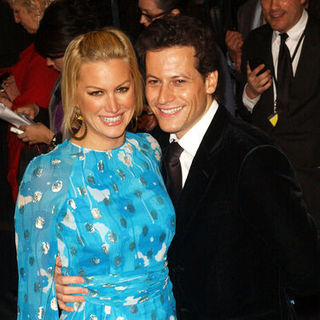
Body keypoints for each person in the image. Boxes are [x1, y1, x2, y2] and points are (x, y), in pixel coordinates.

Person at [55, 15, 320, 319]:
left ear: (210, 81)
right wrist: (66, 281)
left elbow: (307, 272)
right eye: (154, 82)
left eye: (179, 81)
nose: (164, 97)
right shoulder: (147, 148)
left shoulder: (252, 157)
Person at [15, 27, 176, 319]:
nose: (113, 106)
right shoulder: (47, 174)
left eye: (122, 89)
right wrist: (53, 287)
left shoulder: (148, 150)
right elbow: (33, 296)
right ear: (75, 94)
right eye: (97, 93)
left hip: (161, 309)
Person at [241, 0, 320, 240]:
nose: (273, 6)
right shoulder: (255, 40)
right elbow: (243, 111)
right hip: (268, 178)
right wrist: (250, 93)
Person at [15, 0, 107, 149]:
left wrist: (49, 139)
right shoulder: (63, 78)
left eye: (54, 56)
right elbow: (62, 121)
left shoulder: (101, 88)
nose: (48, 63)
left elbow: (91, 152)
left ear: (75, 50)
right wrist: (38, 112)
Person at [0, 0, 58, 201]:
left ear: (36, 5)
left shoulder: (47, 55)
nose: (16, 20)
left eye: (18, 12)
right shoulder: (39, 49)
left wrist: (13, 104)